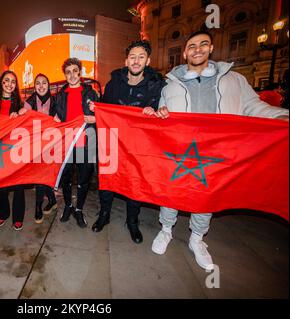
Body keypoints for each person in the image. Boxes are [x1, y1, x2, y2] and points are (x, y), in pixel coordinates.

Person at [148, 31, 289, 270]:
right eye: (191, 46)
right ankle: (166, 229)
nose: (197, 49)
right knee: (171, 191)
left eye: (203, 44)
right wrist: (159, 114)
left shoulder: (233, 80)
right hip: (180, 151)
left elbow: (254, 106)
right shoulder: (170, 84)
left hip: (216, 153)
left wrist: (283, 116)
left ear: (211, 49)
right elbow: (163, 113)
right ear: (185, 53)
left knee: (207, 196)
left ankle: (197, 238)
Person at [89, 40, 166, 243]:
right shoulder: (114, 83)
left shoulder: (157, 85)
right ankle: (103, 215)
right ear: (126, 60)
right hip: (112, 144)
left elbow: (164, 112)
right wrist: (95, 107)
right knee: (106, 183)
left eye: (141, 57)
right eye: (132, 56)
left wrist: (155, 110)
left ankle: (132, 221)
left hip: (138, 147)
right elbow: (104, 108)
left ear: (148, 60)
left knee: (135, 184)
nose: (136, 61)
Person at [54, 58, 98, 228]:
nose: (72, 75)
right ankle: (68, 206)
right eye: (68, 72)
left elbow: (103, 114)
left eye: (75, 71)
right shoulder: (59, 96)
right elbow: (53, 118)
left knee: (83, 179)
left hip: (85, 143)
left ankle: (79, 209)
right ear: (65, 75)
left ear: (80, 72)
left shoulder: (91, 93)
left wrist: (95, 118)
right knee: (65, 178)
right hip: (66, 144)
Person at [0, 70, 26, 231]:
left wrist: (22, 113)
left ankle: (18, 217)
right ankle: (2, 213)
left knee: (18, 184)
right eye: (6, 81)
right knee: (1, 185)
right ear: (1, 83)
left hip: (16, 149)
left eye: (13, 81)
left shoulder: (20, 103)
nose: (9, 84)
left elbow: (29, 117)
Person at [18, 73, 58, 224]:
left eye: (44, 83)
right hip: (34, 145)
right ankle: (50, 201)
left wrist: (59, 117)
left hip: (52, 145)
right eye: (38, 83)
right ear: (34, 87)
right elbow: (23, 121)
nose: (41, 86)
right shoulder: (29, 102)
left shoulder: (55, 100)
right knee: (40, 176)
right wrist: (20, 113)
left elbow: (63, 116)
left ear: (48, 85)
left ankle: (39, 207)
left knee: (42, 176)